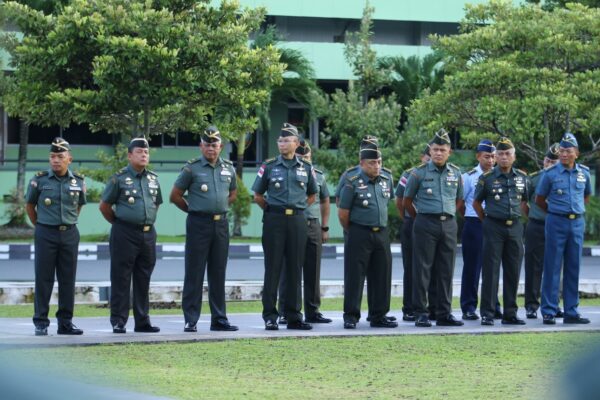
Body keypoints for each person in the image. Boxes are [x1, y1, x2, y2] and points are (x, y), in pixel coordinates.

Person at [170, 126, 239, 332]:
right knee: (195, 271)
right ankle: (191, 319)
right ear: (201, 146)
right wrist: (193, 210)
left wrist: (219, 206)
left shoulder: (229, 168)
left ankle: (219, 319)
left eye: (214, 145)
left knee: (218, 272)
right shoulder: (191, 169)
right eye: (207, 145)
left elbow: (233, 194)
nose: (211, 148)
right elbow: (175, 196)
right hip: (198, 224)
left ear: (221, 146)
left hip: (221, 224)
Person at [252, 123, 318, 331]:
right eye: (280, 140)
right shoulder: (269, 166)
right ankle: (270, 316)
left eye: (287, 140)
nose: (282, 144)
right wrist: (273, 210)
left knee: (295, 269)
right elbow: (258, 196)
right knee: (273, 268)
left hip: (297, 220)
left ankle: (293, 316)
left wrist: (298, 207)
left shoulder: (306, 168)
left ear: (296, 143)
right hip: (275, 220)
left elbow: (312, 195)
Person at [99, 137, 162, 334]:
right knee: (121, 277)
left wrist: (146, 220)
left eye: (146, 152)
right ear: (129, 155)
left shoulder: (153, 179)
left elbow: (156, 204)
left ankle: (142, 321)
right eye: (139, 152)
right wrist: (120, 224)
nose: (144, 155)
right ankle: (119, 320)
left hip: (147, 234)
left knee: (144, 278)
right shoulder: (118, 179)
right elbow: (104, 206)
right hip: (125, 232)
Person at [403, 129, 464, 328]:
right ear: (430, 151)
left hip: (448, 224)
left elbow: (459, 200)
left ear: (449, 152)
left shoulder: (455, 172)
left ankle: (443, 312)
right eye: (435, 149)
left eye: (442, 150)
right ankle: (421, 312)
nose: (438, 153)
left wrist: (447, 214)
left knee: (446, 270)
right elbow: (407, 201)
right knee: (422, 269)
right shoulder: (418, 173)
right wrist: (420, 217)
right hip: (425, 223)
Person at [25, 138, 86, 336]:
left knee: (68, 279)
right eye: (52, 156)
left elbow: (78, 206)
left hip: (69, 233)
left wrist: (68, 222)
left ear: (69, 159)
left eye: (60, 156)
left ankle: (65, 323)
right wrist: (41, 225)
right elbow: (30, 206)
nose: (55, 160)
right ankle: (41, 322)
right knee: (44, 278)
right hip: (46, 233)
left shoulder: (78, 181)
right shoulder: (40, 180)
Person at [338, 140, 396, 329]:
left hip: (382, 232)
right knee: (355, 275)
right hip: (359, 231)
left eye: (379, 162)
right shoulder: (352, 181)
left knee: (382, 274)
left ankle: (378, 315)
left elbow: (388, 203)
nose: (377, 166)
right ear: (362, 163)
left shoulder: (387, 178)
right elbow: (343, 213)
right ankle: (351, 316)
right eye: (372, 163)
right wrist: (352, 230)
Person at [536, 133, 592, 325]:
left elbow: (586, 196)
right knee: (552, 266)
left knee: (573, 267)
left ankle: (571, 311)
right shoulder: (550, 173)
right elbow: (539, 200)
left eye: (568, 151)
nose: (564, 154)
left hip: (576, 223)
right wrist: (555, 211)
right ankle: (549, 311)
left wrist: (574, 211)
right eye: (562, 151)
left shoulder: (584, 173)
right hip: (556, 222)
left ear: (576, 153)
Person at [473, 137, 528, 326]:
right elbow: (476, 203)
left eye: (508, 154)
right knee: (491, 271)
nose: (504, 157)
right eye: (501, 154)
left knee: (513, 270)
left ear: (514, 156)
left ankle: (510, 313)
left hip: (515, 226)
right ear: (495, 156)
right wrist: (487, 220)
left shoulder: (522, 177)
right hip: (493, 226)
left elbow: (524, 201)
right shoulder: (487, 178)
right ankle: (488, 313)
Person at [278, 139, 332, 324]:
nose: (304, 160)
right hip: (293, 223)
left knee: (313, 269)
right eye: (301, 157)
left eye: (307, 157)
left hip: (313, 224)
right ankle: (285, 311)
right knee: (289, 270)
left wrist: (325, 227)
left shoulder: (318, 176)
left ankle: (313, 310)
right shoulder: (288, 174)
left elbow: (325, 200)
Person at [459, 139, 499, 321]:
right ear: (478, 157)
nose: (490, 160)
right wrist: (471, 218)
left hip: (495, 224)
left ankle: (493, 305)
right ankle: (468, 306)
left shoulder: (500, 175)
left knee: (493, 267)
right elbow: (460, 203)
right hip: (475, 223)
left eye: (493, 157)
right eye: (486, 156)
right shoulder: (469, 177)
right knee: (472, 267)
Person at [394, 144, 436, 322]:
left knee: (433, 267)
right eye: (428, 158)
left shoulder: (442, 174)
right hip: (413, 221)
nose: (430, 161)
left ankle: (434, 307)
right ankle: (409, 308)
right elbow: (400, 201)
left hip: (432, 223)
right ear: (422, 157)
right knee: (411, 267)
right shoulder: (410, 174)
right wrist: (410, 218)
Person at [524, 143, 560, 319]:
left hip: (557, 227)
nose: (549, 165)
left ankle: (553, 304)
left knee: (554, 267)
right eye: (547, 161)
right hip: (537, 225)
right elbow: (524, 204)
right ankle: (531, 305)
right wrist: (533, 216)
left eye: (554, 162)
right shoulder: (534, 179)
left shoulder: (564, 179)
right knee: (533, 266)